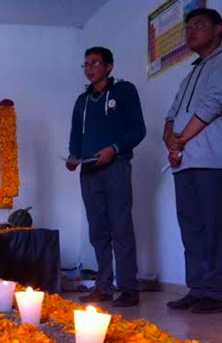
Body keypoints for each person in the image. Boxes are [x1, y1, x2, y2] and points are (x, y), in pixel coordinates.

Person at [66, 47, 146, 307]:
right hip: (88, 172)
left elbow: (138, 130)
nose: (90, 68)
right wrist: (72, 157)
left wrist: (114, 149)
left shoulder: (124, 91)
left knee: (121, 228)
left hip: (116, 168)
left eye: (96, 63)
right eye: (86, 64)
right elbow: (75, 136)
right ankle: (103, 286)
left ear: (109, 67)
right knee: (98, 232)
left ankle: (129, 289)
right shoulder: (82, 101)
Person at [164, 8, 222, 314]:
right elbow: (172, 113)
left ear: (219, 29)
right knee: (190, 228)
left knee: (213, 228)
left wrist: (181, 138)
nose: (191, 31)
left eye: (199, 25)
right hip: (183, 162)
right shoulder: (190, 73)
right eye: (188, 27)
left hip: (212, 161)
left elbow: (215, 102)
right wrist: (169, 137)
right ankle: (197, 288)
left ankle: (215, 291)